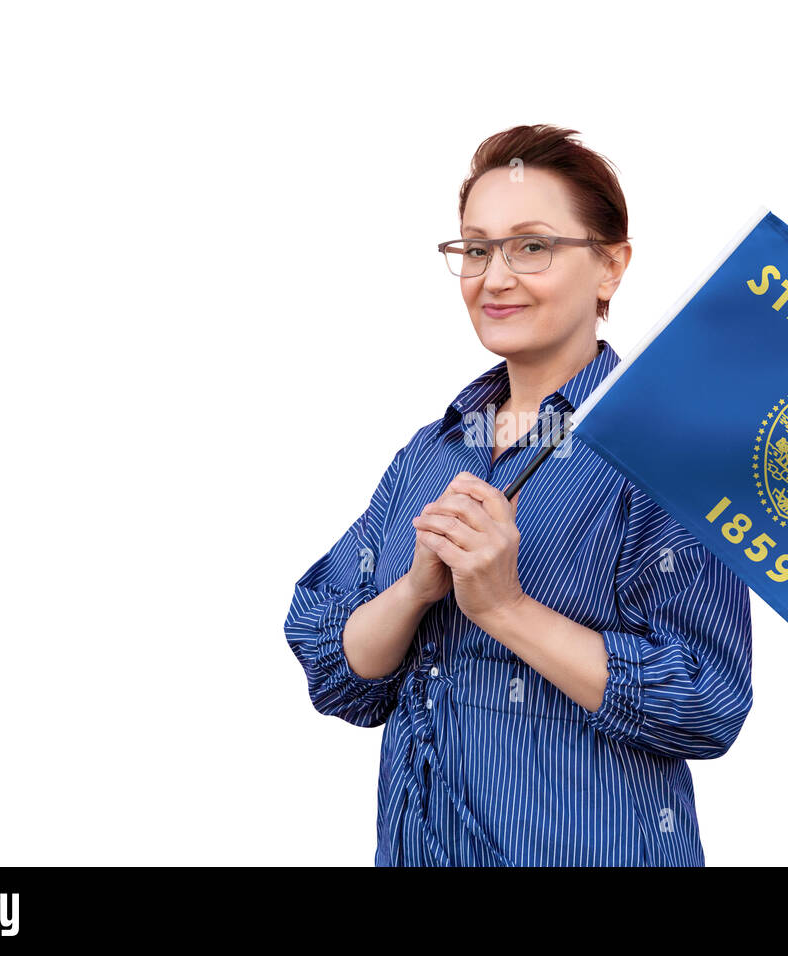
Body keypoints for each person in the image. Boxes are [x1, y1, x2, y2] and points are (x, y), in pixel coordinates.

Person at [284, 124, 753, 866]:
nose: (494, 277)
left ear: (610, 267)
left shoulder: (665, 457)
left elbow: (705, 704)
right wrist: (412, 592)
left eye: (531, 246)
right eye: (475, 249)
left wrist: (504, 607)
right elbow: (337, 672)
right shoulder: (431, 452)